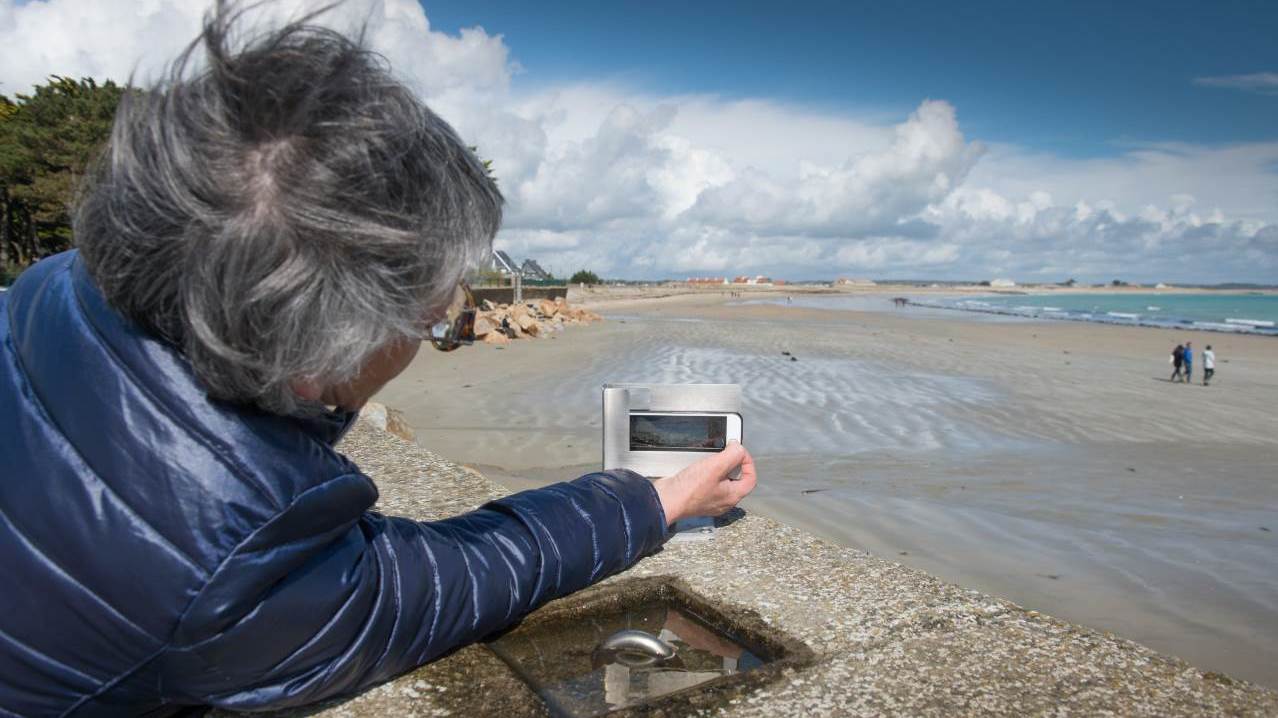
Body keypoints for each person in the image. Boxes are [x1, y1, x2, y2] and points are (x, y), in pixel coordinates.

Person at [0, 8, 756, 715]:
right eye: (435, 325)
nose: (443, 327)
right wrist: (658, 502)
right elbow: (461, 580)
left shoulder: (48, 289)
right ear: (313, 363)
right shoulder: (235, 555)